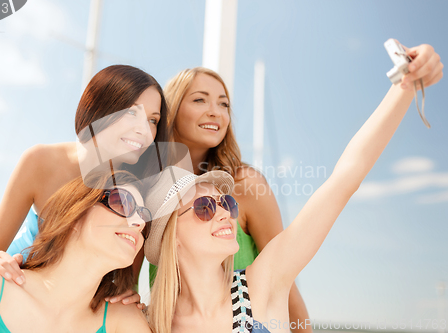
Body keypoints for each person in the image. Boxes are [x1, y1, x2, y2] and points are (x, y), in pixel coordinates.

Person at [144, 42, 443, 333]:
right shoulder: (149, 323)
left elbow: (346, 178)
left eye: (228, 203)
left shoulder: (262, 283)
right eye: (205, 207)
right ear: (170, 231)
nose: (225, 213)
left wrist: (406, 82)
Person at [0, 65, 168, 307]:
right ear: (100, 106)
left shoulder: (137, 191)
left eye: (153, 120)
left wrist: (126, 296)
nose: (144, 130)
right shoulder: (41, 162)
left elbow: (125, 284)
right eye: (132, 113)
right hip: (13, 292)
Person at [160, 67, 311, 329]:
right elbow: (126, 279)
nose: (215, 111)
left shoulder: (247, 185)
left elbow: (285, 283)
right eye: (199, 99)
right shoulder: (155, 194)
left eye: (224, 104)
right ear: (171, 110)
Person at [0, 170, 153, 332]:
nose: (138, 223)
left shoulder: (124, 323)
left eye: (144, 215)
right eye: (122, 202)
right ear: (75, 213)